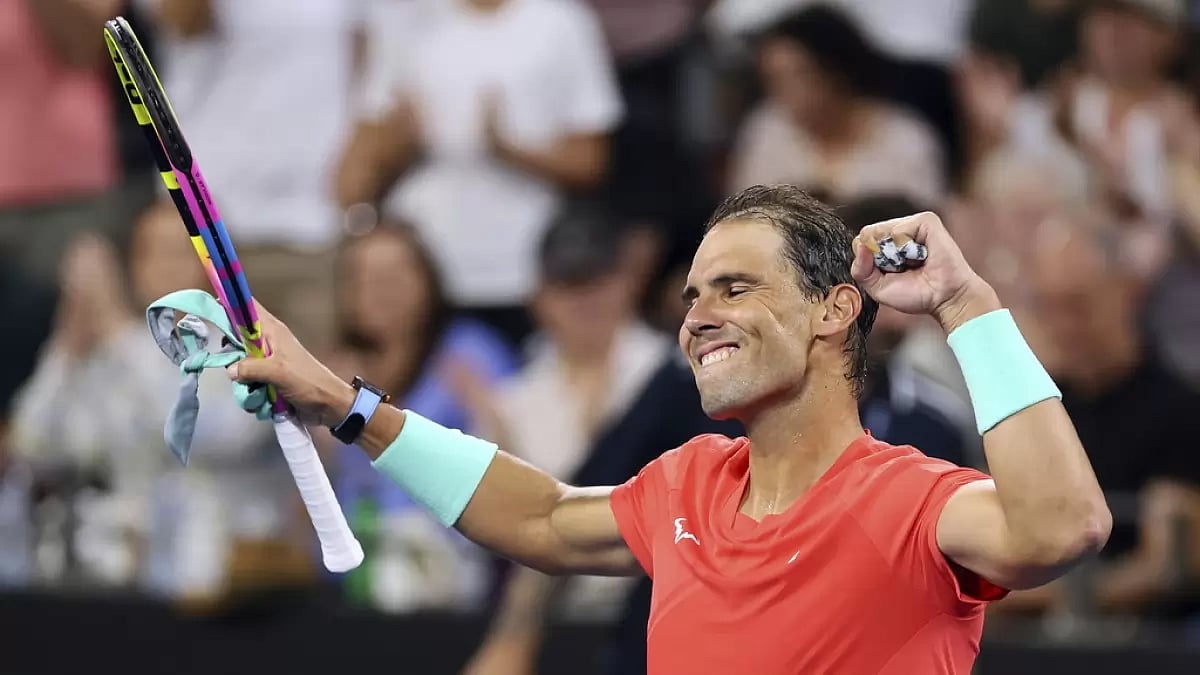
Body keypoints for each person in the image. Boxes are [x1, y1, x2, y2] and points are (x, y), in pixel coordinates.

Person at [226, 184, 1111, 673]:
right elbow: (538, 517)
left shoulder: (914, 496)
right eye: (692, 296)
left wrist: (968, 303)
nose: (697, 317)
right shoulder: (688, 481)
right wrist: (344, 402)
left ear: (835, 309)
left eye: (735, 288)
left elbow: (1063, 525)